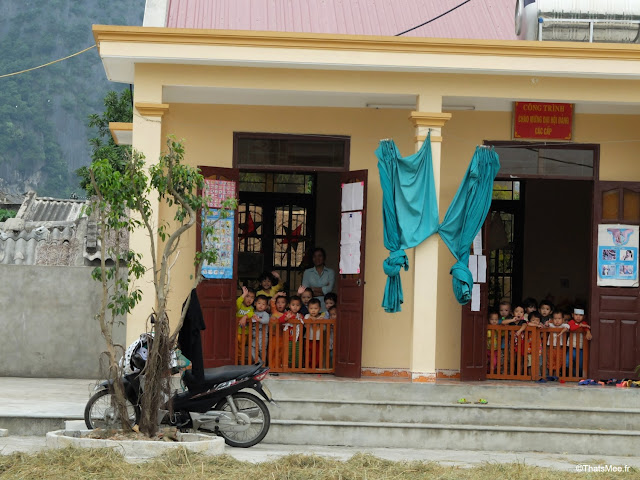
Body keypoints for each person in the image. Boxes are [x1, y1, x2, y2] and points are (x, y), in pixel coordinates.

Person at [516, 311, 543, 376]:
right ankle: (530, 376)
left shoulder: (540, 326)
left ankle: (536, 375)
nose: (535, 321)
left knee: (538, 363)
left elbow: (543, 326)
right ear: (529, 320)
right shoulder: (528, 324)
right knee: (529, 363)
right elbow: (528, 324)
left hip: (537, 348)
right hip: (529, 349)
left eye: (537, 320)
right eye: (533, 320)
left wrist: (540, 325)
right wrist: (536, 325)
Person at [567, 307, 592, 377]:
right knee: (567, 362)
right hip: (572, 347)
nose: (578, 317)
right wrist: (580, 325)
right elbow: (571, 328)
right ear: (572, 315)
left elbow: (586, 328)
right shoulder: (571, 322)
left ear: (584, 316)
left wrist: (588, 332)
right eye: (576, 315)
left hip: (581, 349)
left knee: (580, 364)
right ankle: (571, 375)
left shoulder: (584, 323)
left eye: (580, 315)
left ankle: (578, 376)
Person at [235, 286, 256, 364]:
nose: (249, 299)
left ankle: (241, 360)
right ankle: (237, 360)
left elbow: (251, 313)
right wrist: (243, 295)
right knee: (237, 347)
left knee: (242, 347)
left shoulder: (251, 308)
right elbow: (237, 303)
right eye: (247, 296)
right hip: (237, 332)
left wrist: (245, 316)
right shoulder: (239, 305)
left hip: (246, 333)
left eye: (252, 297)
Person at [546, 310, 570, 375]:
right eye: (555, 319)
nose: (557, 321)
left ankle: (556, 374)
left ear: (562, 319)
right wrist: (547, 323)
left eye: (559, 319)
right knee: (550, 361)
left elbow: (567, 327)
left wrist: (561, 332)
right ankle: (551, 374)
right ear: (552, 319)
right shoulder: (551, 325)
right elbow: (546, 325)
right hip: (551, 347)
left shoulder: (563, 325)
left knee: (559, 361)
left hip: (559, 348)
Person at [305, 298, 324, 369]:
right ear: (308, 308)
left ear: (320, 308)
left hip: (318, 340)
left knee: (317, 354)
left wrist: (320, 321)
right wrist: (311, 319)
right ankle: (308, 367)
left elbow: (324, 328)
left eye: (315, 308)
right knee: (308, 354)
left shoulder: (322, 317)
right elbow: (305, 325)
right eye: (311, 308)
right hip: (308, 339)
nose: (313, 310)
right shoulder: (307, 316)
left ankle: (316, 367)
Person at [251, 295, 270, 362]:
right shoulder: (252, 312)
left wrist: (258, 319)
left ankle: (263, 363)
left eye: (263, 304)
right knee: (252, 348)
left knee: (262, 349)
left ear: (266, 306)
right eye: (259, 303)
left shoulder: (265, 314)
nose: (261, 305)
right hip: (253, 334)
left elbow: (266, 321)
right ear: (255, 303)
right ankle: (258, 362)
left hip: (263, 334)